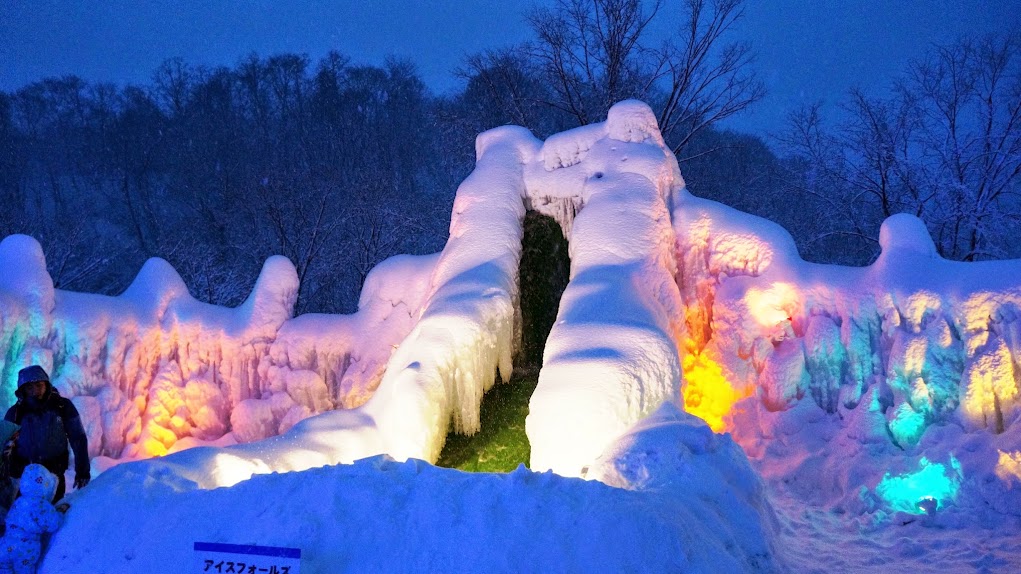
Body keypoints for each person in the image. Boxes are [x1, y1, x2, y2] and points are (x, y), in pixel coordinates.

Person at [3, 366, 89, 503]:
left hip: (54, 473)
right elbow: (4, 444)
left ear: (46, 385)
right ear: (23, 390)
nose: (35, 391)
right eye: (29, 387)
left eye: (39, 385)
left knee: (51, 512)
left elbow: (78, 438)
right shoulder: (15, 413)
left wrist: (83, 471)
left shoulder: (63, 406)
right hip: (24, 477)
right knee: (25, 514)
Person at [0, 464, 66, 574]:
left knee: (3, 566)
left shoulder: (19, 501)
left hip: (6, 543)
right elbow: (53, 524)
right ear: (47, 486)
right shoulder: (42, 504)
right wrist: (59, 513)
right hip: (27, 548)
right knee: (23, 569)